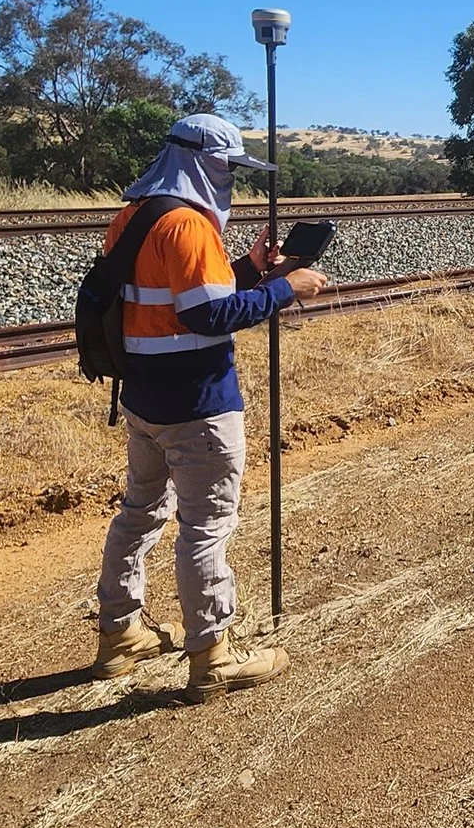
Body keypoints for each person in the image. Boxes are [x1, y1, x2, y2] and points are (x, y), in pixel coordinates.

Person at [88, 112, 332, 701]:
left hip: (144, 397)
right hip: (197, 404)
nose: (232, 182)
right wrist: (284, 289)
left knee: (140, 511)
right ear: (206, 163)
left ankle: (119, 634)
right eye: (228, 168)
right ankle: (213, 655)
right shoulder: (189, 226)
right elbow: (209, 316)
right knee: (206, 527)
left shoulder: (132, 216)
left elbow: (177, 299)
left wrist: (249, 269)